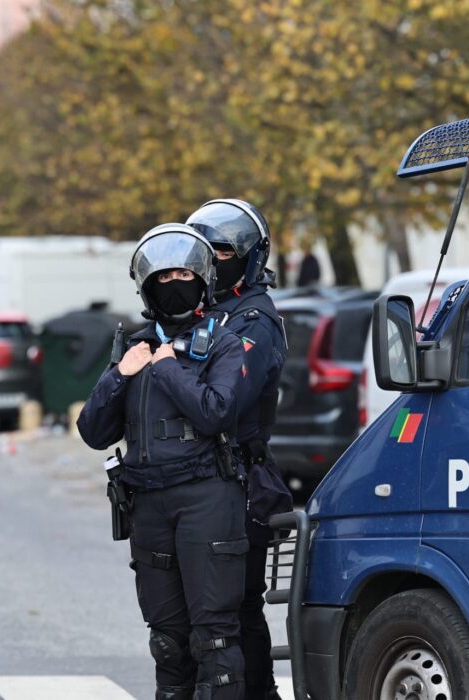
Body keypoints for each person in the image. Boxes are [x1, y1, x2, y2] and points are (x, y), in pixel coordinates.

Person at [77, 223, 248, 700]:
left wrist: (168, 366)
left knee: (214, 640)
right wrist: (120, 375)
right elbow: (93, 431)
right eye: (163, 277)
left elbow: (217, 411)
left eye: (182, 274)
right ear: (147, 285)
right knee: (168, 644)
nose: (173, 284)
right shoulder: (133, 346)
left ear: (202, 279)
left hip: (206, 500)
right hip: (149, 504)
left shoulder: (221, 343)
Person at [186, 200, 292, 700]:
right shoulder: (194, 312)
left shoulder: (254, 320)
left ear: (248, 257)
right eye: (207, 250)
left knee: (237, 608)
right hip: (193, 478)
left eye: (224, 250)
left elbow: (224, 403)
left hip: (238, 478)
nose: (214, 258)